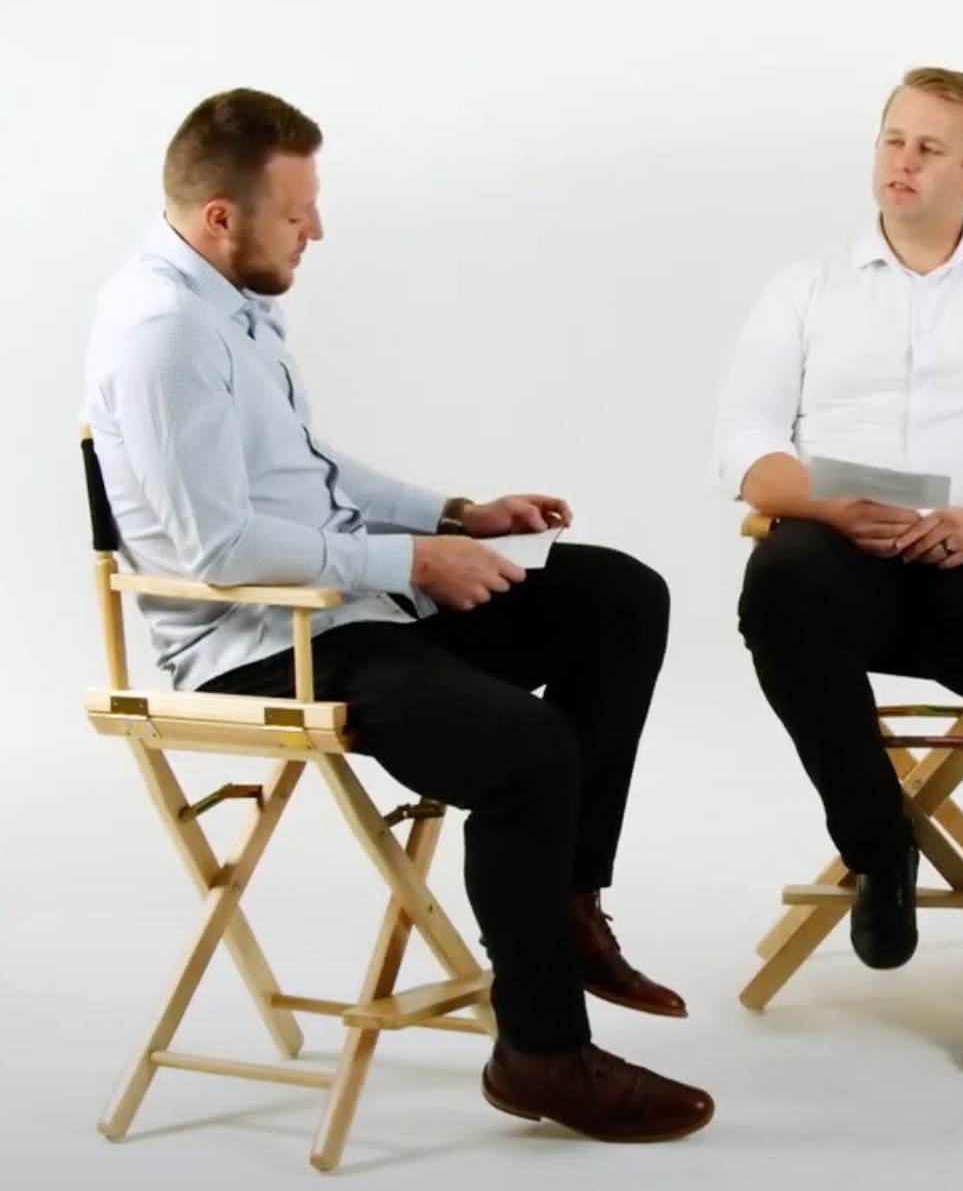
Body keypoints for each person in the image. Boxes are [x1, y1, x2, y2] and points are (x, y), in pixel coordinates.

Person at [80, 87, 713, 1141]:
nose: (316, 230)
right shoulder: (161, 335)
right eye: (298, 212)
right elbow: (219, 549)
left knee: (617, 596)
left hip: (342, 606)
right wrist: (417, 559)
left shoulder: (229, 300)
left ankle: (566, 902)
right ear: (221, 218)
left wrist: (456, 514)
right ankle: (540, 1051)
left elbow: (309, 473)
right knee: (527, 747)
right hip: (258, 645)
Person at [712, 67, 963, 1075]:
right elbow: (743, 444)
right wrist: (816, 501)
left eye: (929, 148)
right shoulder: (804, 285)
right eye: (893, 140)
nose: (903, 162)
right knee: (778, 585)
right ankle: (877, 844)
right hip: (840, 546)